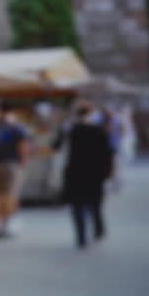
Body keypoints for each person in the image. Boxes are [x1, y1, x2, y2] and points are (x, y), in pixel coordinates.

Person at [54, 106, 114, 249]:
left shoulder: (69, 131)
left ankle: (81, 237)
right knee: (95, 203)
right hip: (94, 173)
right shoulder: (98, 131)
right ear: (90, 115)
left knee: (77, 205)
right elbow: (107, 153)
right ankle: (99, 229)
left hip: (74, 173)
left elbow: (56, 146)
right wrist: (107, 172)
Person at [0, 102, 29, 238]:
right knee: (10, 195)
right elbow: (23, 146)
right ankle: (8, 224)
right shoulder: (16, 127)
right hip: (11, 164)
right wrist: (23, 162)